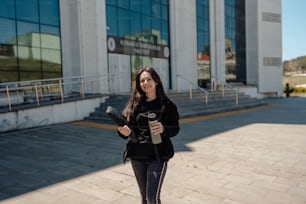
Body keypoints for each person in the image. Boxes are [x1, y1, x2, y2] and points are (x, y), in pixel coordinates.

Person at [117, 66, 180, 204]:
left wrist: (163, 128)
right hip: (137, 156)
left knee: (152, 198)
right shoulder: (134, 104)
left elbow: (175, 129)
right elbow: (126, 128)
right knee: (144, 197)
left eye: (148, 79)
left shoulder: (167, 105)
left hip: (157, 156)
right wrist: (123, 132)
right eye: (142, 81)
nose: (145, 83)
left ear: (156, 81)